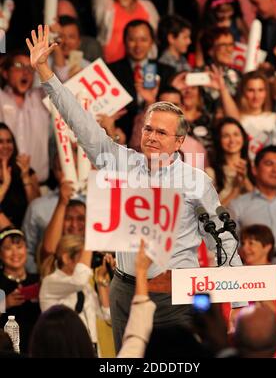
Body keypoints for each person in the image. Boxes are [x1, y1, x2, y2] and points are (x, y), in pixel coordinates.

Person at [26, 24, 245, 353]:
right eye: (148, 129)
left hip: (177, 296)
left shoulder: (195, 181)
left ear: (179, 141)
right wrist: (45, 71)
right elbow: (82, 124)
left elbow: (221, 242)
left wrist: (238, 303)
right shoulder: (120, 162)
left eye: (161, 133)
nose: (152, 137)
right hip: (124, 291)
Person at [39, 235, 111, 357]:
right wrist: (90, 243)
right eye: (84, 258)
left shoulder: (85, 286)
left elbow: (107, 314)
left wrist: (101, 280)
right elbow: (79, 281)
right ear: (67, 258)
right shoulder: (50, 283)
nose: (87, 264)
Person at [229, 145, 276, 267]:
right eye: (269, 164)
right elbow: (228, 247)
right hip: (254, 278)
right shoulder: (238, 206)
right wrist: (248, 251)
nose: (275, 170)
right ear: (255, 169)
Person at [239, 224, 276, 357]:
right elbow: (228, 316)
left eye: (251, 243)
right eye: (243, 243)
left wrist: (266, 299)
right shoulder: (235, 278)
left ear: (267, 247)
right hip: (243, 349)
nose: (244, 248)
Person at [0, 50, 51, 183]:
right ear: (5, 72)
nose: (25, 72)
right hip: (5, 187)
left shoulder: (40, 98)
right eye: (18, 66)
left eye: (30, 68)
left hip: (38, 186)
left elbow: (62, 84)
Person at [0, 227, 40, 354]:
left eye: (19, 247)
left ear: (26, 249)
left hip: (37, 348)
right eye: (8, 248)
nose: (15, 253)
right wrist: (5, 303)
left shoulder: (38, 280)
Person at [92, 0, 159, 64]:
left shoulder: (147, 5)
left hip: (142, 63)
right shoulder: (103, 0)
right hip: (111, 61)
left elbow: (155, 34)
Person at [205, 117, 254, 206]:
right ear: (219, 140)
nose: (232, 140)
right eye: (226, 136)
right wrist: (235, 190)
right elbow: (212, 214)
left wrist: (245, 180)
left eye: (236, 134)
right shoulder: (210, 174)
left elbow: (261, 205)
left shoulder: (254, 168)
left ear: (243, 138)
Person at [0, 123, 40, 228]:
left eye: (9, 141)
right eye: (0, 142)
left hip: (23, 233)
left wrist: (25, 176)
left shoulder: (26, 170)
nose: (5, 146)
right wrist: (5, 185)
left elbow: (37, 209)